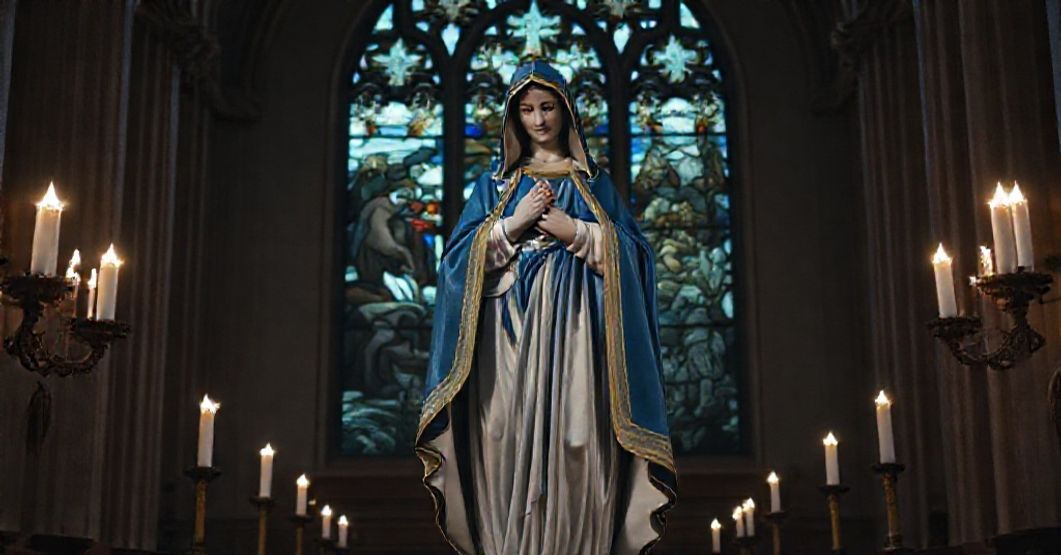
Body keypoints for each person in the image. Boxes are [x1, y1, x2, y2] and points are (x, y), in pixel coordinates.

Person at [415, 60, 677, 555]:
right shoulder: (494, 188)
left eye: (548, 107)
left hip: (579, 338)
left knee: (578, 444)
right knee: (503, 445)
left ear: (566, 110)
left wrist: (574, 231)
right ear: (514, 117)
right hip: (505, 346)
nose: (539, 119)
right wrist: (513, 225)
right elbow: (454, 268)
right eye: (528, 109)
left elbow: (637, 262)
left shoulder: (594, 185)